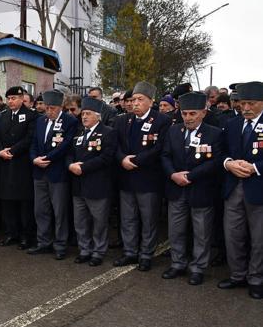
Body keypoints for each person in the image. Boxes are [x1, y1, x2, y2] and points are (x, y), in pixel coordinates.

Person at [160, 91, 222, 286]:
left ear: (203, 113)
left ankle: (197, 268)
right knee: (176, 230)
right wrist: (172, 175)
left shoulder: (215, 133)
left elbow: (215, 161)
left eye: (192, 114)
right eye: (185, 113)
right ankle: (178, 263)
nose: (187, 118)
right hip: (176, 188)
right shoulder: (173, 131)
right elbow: (165, 156)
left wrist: (190, 176)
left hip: (201, 190)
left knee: (201, 232)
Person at [112, 81, 171, 271]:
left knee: (148, 219)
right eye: (133, 100)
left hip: (148, 179)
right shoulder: (122, 120)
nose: (135, 103)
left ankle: (146, 254)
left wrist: (135, 161)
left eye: (140, 99)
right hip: (126, 177)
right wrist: (122, 159)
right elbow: (116, 146)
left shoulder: (162, 121)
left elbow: (159, 148)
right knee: (128, 218)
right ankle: (130, 252)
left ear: (151, 101)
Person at [218, 81, 263, 299]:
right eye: (242, 103)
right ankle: (237, 275)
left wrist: (255, 167)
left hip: (258, 188)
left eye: (251, 103)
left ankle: (256, 278)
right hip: (233, 186)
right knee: (233, 234)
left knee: (259, 237)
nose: (245, 107)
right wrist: (228, 163)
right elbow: (221, 150)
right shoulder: (233, 124)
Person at [66, 98, 118, 266]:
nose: (84, 117)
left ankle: (98, 251)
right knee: (80, 221)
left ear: (98, 116)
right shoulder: (79, 133)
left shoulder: (108, 132)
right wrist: (70, 165)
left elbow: (106, 158)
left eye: (88, 114)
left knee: (99, 221)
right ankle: (84, 249)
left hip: (97, 185)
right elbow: (69, 153)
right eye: (83, 114)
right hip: (78, 185)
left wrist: (84, 168)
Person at [28, 90, 78, 260]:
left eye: (52, 108)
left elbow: (65, 145)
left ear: (60, 107)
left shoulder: (69, 121)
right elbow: (33, 142)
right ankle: (44, 242)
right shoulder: (41, 121)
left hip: (57, 172)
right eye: (47, 108)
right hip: (39, 172)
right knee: (40, 210)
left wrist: (47, 158)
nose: (49, 111)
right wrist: (34, 159)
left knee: (59, 211)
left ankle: (60, 244)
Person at [0, 86, 37, 249]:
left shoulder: (31, 116)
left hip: (21, 165)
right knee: (7, 203)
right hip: (5, 164)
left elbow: (29, 139)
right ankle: (11, 233)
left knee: (24, 204)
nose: (11, 101)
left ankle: (26, 236)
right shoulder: (3, 116)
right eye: (9, 98)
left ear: (21, 99)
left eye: (14, 98)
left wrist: (12, 151)